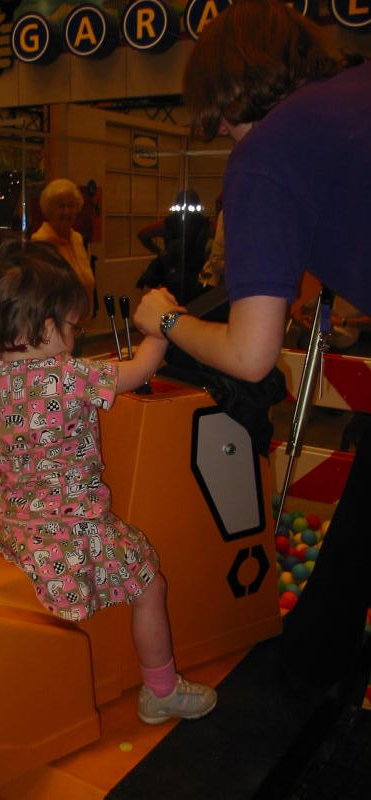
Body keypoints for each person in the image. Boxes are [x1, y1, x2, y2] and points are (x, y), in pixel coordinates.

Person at [134, 0, 371, 695]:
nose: (221, 131)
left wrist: (167, 319)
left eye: (218, 116)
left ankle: (310, 665)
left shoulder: (267, 151)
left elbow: (249, 355)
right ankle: (314, 659)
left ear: (232, 89)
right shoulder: (354, 92)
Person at [0, 239, 217, 725]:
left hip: (16, 527)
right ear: (47, 328)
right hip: (76, 530)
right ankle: (161, 691)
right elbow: (141, 369)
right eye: (73, 327)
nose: (76, 337)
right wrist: (161, 328)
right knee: (150, 583)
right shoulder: (69, 376)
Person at [31, 178, 95, 321]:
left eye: (71, 206)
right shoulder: (40, 242)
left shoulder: (77, 239)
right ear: (49, 210)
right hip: (56, 323)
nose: (67, 211)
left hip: (81, 321)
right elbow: (41, 293)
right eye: (61, 206)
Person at [136, 188, 211, 305]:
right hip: (195, 274)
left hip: (172, 273)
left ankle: (172, 318)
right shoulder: (205, 224)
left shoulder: (168, 223)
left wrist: (159, 252)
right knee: (194, 308)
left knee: (171, 307)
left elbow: (143, 234)